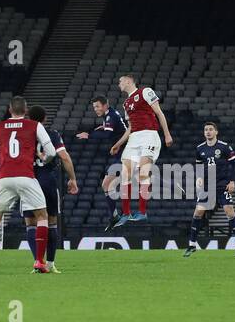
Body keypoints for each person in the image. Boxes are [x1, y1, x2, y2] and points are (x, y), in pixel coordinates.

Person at [0, 96, 57, 274]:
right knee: (42, 216)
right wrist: (44, 159)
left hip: (4, 178)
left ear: (10, 109)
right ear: (26, 110)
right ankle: (39, 261)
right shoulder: (34, 125)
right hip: (26, 176)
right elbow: (51, 151)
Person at [111, 74, 173, 224]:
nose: (118, 84)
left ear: (128, 81)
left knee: (143, 174)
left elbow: (159, 112)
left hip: (149, 135)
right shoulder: (126, 103)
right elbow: (130, 128)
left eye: (120, 81)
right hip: (134, 138)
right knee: (125, 175)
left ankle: (142, 212)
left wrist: (167, 134)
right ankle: (126, 213)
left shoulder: (145, 91)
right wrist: (118, 144)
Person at [27, 105, 79, 272]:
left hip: (29, 182)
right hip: (48, 181)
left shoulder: (24, 135)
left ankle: (37, 263)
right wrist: (72, 179)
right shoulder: (52, 134)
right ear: (44, 119)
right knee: (51, 222)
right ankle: (50, 263)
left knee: (31, 223)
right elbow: (64, 156)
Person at [184, 122, 235, 258]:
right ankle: (192, 245)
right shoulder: (200, 149)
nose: (208, 132)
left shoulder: (224, 147)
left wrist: (232, 181)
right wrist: (199, 178)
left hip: (222, 185)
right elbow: (199, 166)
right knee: (198, 212)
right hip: (207, 186)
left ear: (216, 132)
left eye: (211, 129)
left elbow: (234, 164)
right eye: (206, 130)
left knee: (229, 211)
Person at [77, 96, 126, 230]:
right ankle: (114, 217)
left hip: (126, 154)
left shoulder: (110, 116)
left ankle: (115, 217)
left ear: (105, 105)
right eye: (94, 107)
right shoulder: (109, 115)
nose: (96, 109)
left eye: (98, 106)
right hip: (121, 154)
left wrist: (89, 135)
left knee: (143, 178)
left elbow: (107, 135)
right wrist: (102, 128)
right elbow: (112, 130)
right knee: (106, 185)